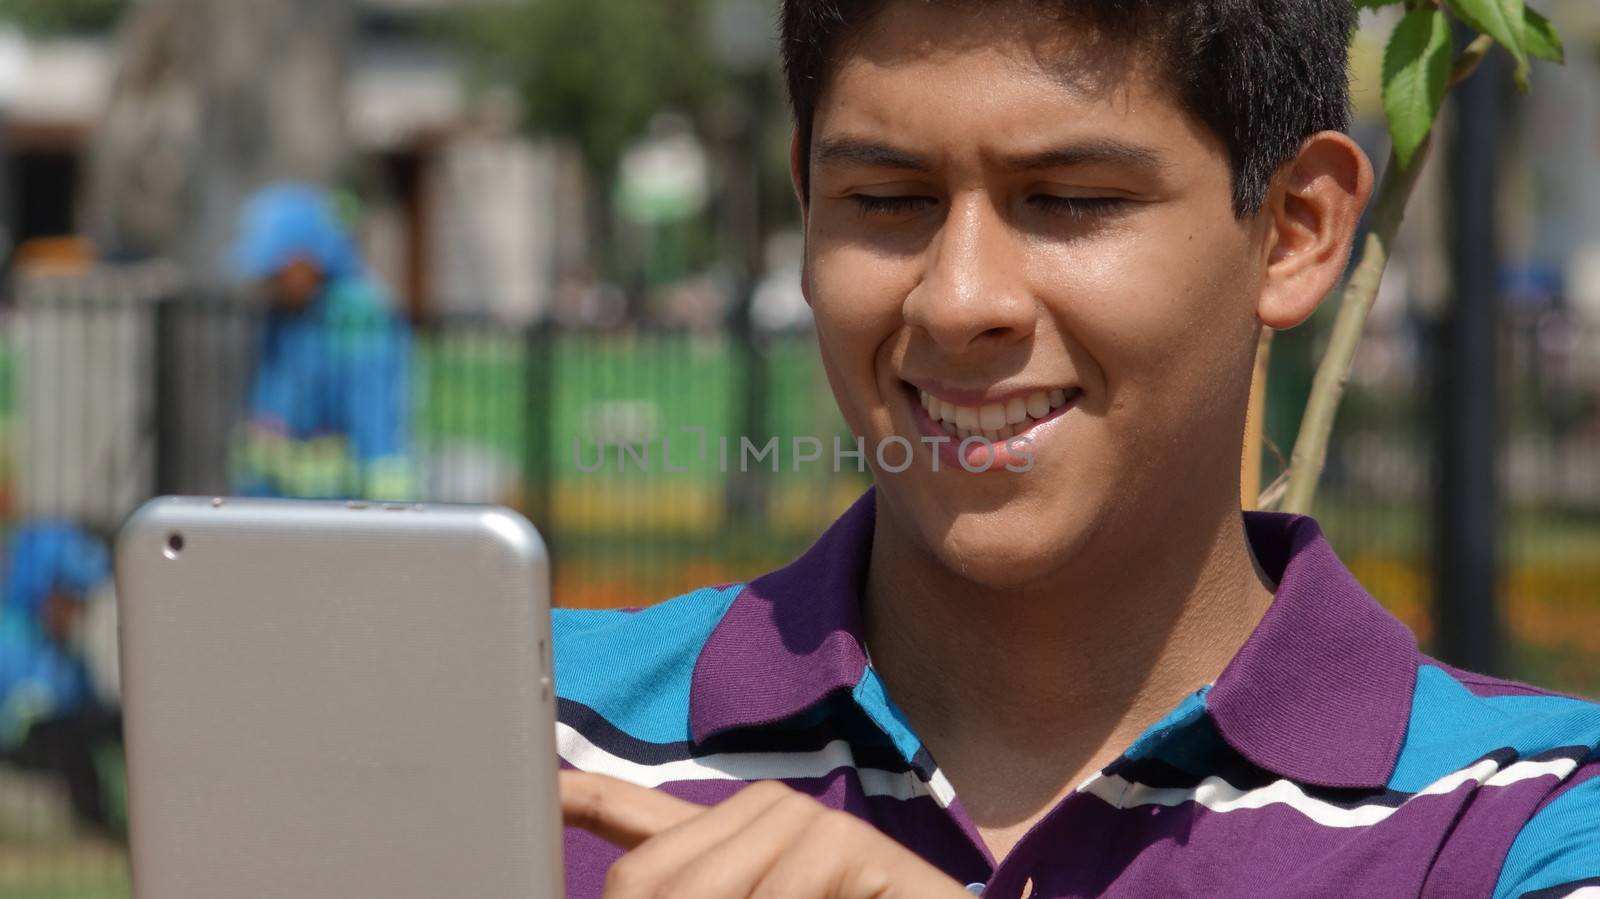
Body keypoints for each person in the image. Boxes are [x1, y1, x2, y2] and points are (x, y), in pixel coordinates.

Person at [552, 1, 1600, 896]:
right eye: (886, 200)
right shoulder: (529, 733)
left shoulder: (1522, 820)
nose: (959, 300)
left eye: (1070, 200)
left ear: (1292, 229)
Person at [229, 183, 416, 501]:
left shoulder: (357, 317)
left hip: (344, 517)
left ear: (309, 260)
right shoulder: (285, 318)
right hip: (278, 513)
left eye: (278, 269)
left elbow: (376, 426)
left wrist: (387, 519)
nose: (269, 282)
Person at [0, 521, 122, 834]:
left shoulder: (64, 648)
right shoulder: (12, 639)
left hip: (54, 731)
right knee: (71, 738)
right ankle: (96, 827)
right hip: (20, 741)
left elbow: (84, 700)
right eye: (69, 600)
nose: (76, 612)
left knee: (114, 722)